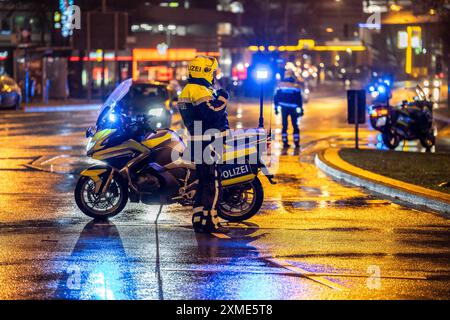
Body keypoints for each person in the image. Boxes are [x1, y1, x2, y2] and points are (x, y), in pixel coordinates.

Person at [177, 55, 230, 234]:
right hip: (208, 142)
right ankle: (211, 220)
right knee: (213, 182)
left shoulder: (188, 90)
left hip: (197, 141)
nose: (214, 75)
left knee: (202, 182)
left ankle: (199, 219)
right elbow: (212, 113)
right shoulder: (199, 90)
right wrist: (223, 98)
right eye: (213, 72)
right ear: (205, 71)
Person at [274, 70, 303, 152]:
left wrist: (276, 108)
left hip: (284, 108)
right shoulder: (296, 86)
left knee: (284, 126)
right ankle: (296, 142)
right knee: (295, 126)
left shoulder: (280, 85)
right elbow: (299, 99)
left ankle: (285, 142)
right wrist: (300, 109)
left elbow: (276, 98)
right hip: (294, 109)